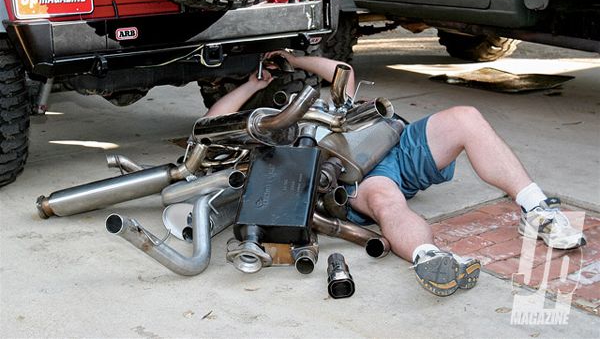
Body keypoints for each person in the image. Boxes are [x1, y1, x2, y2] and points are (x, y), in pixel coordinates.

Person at [204, 50, 587, 297]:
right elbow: (209, 124)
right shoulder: (271, 132)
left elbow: (342, 72)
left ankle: (537, 208)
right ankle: (429, 258)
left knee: (465, 118)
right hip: (352, 180)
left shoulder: (328, 105)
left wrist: (295, 58)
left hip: (393, 145)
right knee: (386, 200)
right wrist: (253, 85)